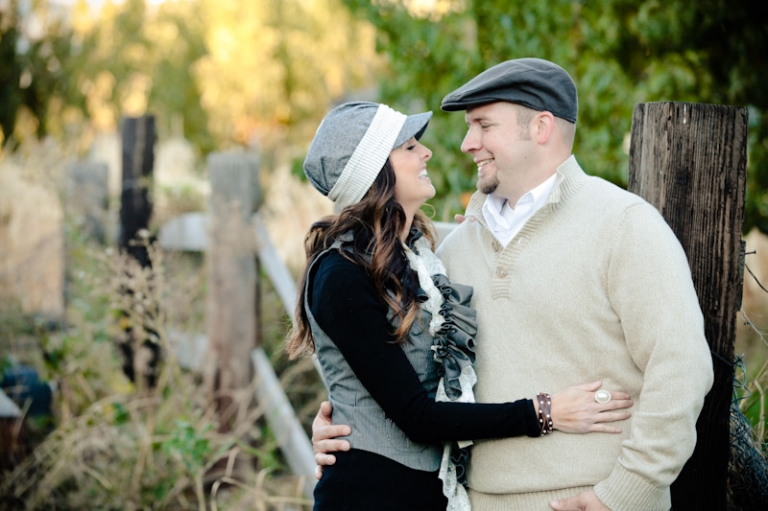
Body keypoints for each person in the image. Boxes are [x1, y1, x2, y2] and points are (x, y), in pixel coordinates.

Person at [310, 60, 715, 510]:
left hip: (593, 498)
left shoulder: (624, 225)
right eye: (468, 127)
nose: (466, 144)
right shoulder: (447, 254)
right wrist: (344, 424)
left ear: (541, 127)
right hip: (471, 501)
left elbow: (681, 370)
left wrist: (624, 494)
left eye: (483, 125)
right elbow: (396, 375)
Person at [288, 100, 633, 511]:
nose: (426, 152)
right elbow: (416, 416)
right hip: (369, 494)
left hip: (425, 493)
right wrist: (545, 412)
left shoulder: (421, 262)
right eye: (410, 147)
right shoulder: (340, 275)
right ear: (376, 171)